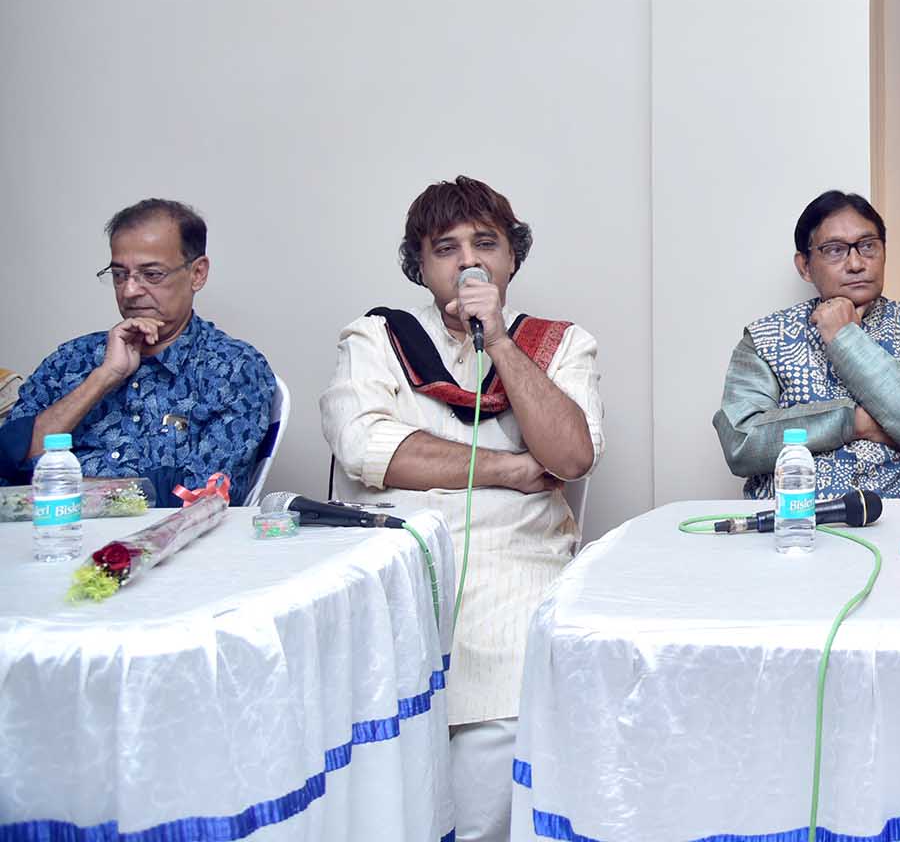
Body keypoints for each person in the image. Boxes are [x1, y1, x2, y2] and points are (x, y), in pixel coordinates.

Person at [321, 176, 603, 842]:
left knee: (490, 781)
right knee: (382, 801)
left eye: (486, 244)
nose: (468, 262)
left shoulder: (561, 344)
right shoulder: (376, 338)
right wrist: (510, 469)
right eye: (446, 248)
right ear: (420, 267)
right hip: (395, 566)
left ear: (512, 258)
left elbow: (571, 456)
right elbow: (366, 447)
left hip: (516, 568)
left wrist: (499, 341)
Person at [1, 199, 276, 500]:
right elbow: (8, 464)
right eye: (119, 275)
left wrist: (60, 488)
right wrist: (103, 378)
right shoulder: (70, 361)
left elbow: (202, 496)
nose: (129, 291)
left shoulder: (232, 369)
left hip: (157, 533)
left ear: (197, 273)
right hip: (48, 527)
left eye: (152, 274)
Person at [715, 190, 900, 499]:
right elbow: (742, 443)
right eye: (834, 250)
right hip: (791, 518)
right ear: (804, 266)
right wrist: (853, 423)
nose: (856, 263)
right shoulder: (766, 338)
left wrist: (845, 337)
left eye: (868, 246)